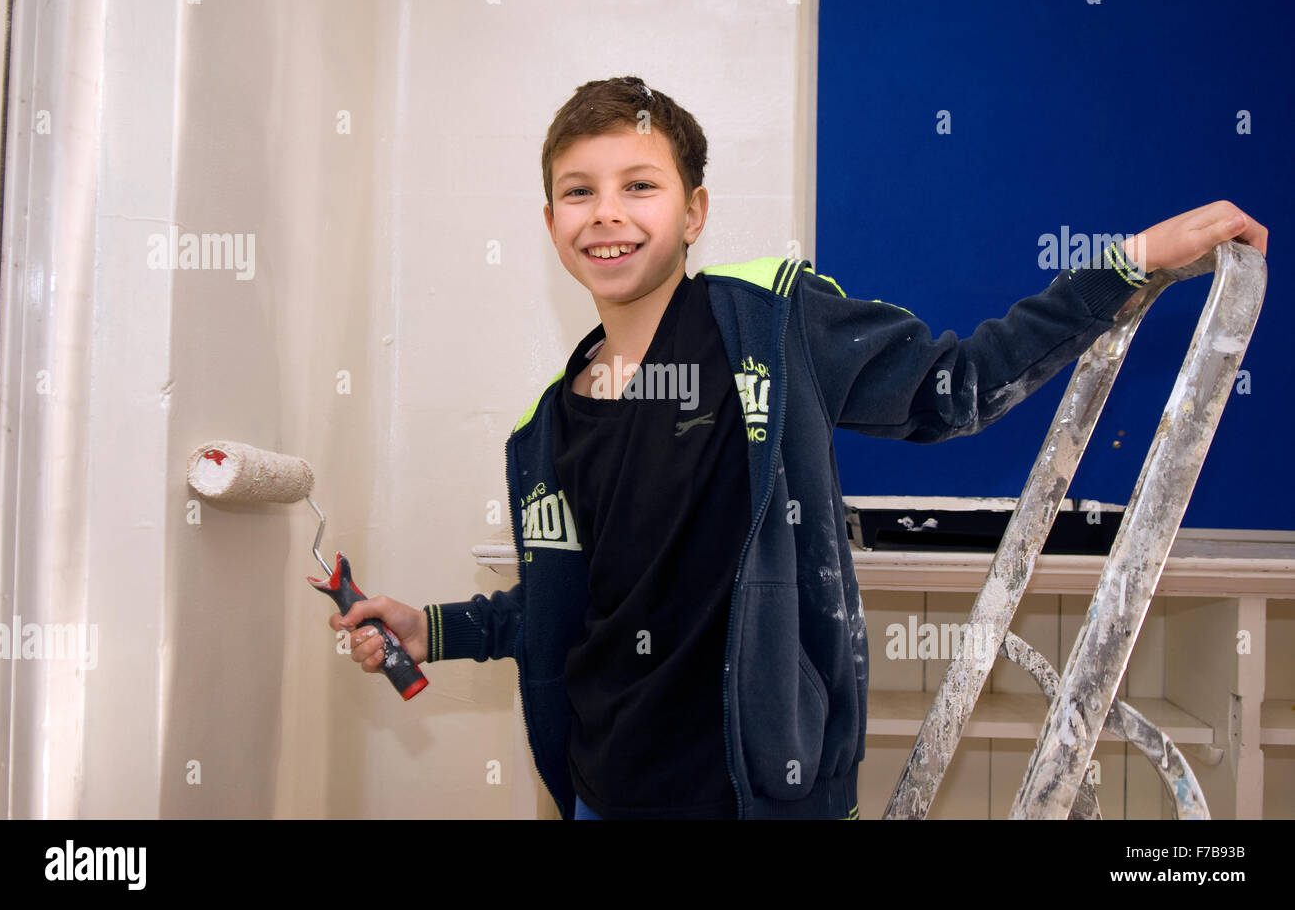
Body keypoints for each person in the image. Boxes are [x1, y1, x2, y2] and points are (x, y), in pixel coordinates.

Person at [328, 75, 1268, 820]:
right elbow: (572, 608)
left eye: (638, 186)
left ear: (694, 212)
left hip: (764, 795)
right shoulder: (546, 428)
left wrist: (1128, 262)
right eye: (579, 192)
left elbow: (959, 386)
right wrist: (436, 629)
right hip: (599, 795)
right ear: (550, 226)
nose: (606, 213)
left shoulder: (771, 324)